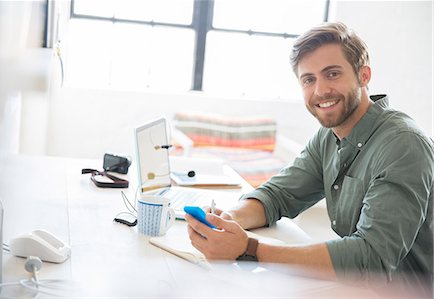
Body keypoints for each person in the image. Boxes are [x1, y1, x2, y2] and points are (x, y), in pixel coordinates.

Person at [185, 22, 433, 294]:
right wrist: (228, 221)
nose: (320, 91)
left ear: (364, 76)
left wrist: (248, 249)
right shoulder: (330, 135)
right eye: (308, 79)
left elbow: (371, 259)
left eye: (333, 74)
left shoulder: (403, 145)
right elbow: (279, 194)